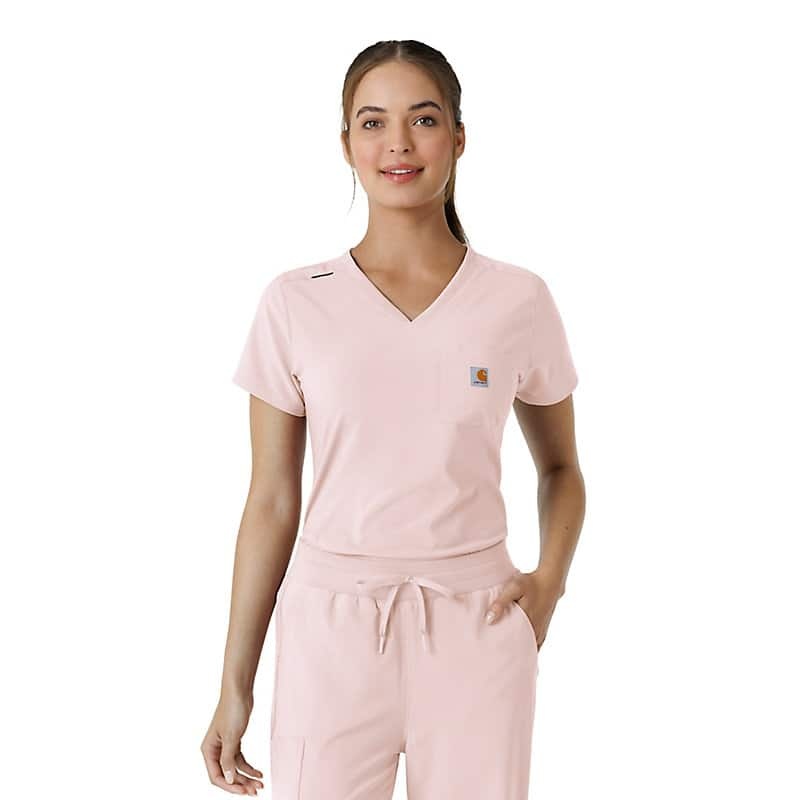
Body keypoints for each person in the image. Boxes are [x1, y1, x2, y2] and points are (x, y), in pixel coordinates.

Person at [201, 39, 585, 799]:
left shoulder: (517, 299)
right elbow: (271, 501)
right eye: (373, 122)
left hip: (478, 626)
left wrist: (549, 583)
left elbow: (562, 467)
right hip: (330, 635)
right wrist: (234, 684)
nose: (398, 143)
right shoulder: (295, 301)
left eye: (424, 119)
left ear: (459, 137)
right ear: (346, 142)